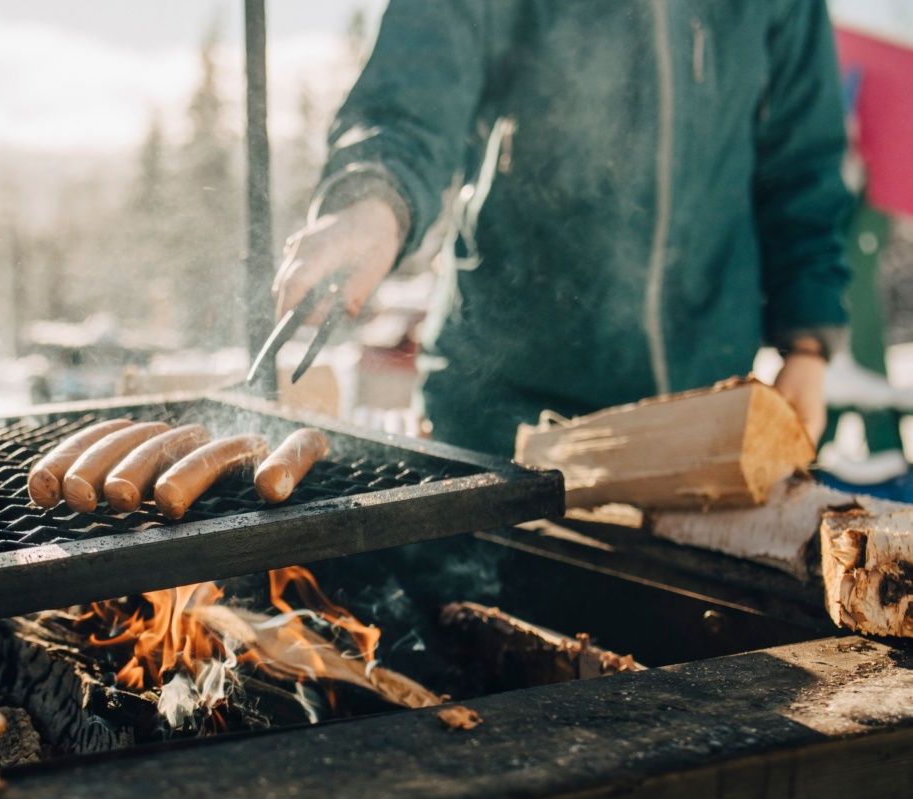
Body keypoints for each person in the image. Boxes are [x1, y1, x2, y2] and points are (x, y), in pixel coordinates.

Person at [275, 0, 851, 457]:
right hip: (506, 417)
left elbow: (803, 159)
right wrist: (372, 202)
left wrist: (807, 341)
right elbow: (413, 86)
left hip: (702, 418)